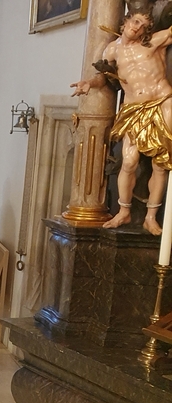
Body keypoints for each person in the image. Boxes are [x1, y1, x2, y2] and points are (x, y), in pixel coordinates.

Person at [71, 9, 172, 235]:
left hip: (162, 101)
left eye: (143, 26)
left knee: (160, 164)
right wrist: (89, 83)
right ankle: (124, 211)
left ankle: (150, 217)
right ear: (126, 21)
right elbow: (102, 78)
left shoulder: (154, 41)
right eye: (135, 21)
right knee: (128, 162)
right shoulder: (112, 50)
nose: (137, 27)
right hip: (133, 108)